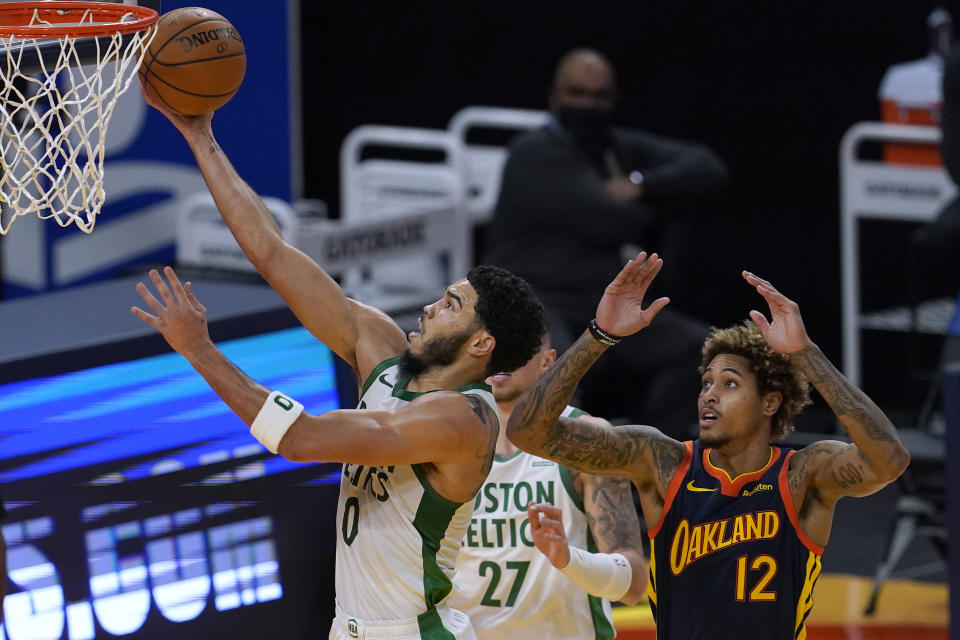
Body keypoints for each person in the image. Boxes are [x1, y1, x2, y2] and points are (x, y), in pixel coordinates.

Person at [134, 89, 548, 640]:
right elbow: (271, 252)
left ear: (481, 345)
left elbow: (300, 438)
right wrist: (200, 136)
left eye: (451, 305)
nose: (429, 305)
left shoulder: (463, 422)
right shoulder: (379, 346)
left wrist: (199, 350)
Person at [506, 252, 911, 640]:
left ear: (770, 402)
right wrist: (600, 335)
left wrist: (806, 355)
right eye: (706, 383)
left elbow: (889, 460)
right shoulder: (661, 461)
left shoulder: (803, 474)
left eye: (729, 383)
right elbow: (528, 432)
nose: (709, 395)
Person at [484, 48, 729, 438]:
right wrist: (663, 202)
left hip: (601, 303)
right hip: (536, 299)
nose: (587, 105)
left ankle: (648, 455)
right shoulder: (532, 153)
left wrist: (640, 184)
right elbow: (610, 221)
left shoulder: (613, 147)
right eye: (576, 94)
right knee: (555, 366)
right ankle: (564, 478)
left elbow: (707, 167)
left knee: (701, 349)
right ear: (553, 96)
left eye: (598, 97)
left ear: (612, 100)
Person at [448, 335, 647, 640]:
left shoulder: (588, 439)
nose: (500, 355)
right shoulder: (443, 438)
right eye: (489, 343)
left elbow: (633, 583)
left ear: (547, 361)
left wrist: (569, 559)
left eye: (514, 339)